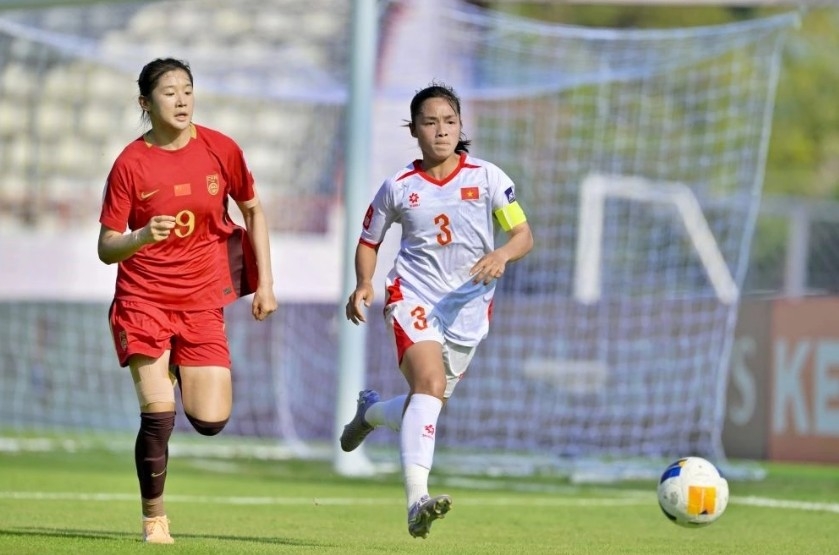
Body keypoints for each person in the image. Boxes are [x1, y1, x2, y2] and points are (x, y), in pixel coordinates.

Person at [341, 82, 533, 539]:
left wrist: (502, 255)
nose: (441, 130)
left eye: (449, 121)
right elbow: (369, 242)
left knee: (424, 405)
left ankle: (370, 414)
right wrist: (365, 283)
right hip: (413, 296)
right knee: (427, 383)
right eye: (430, 122)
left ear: (461, 126)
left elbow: (523, 234)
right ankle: (416, 503)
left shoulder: (488, 178)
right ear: (415, 130)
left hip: (469, 309)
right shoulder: (398, 187)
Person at [97, 57, 277, 544]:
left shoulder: (222, 149)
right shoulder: (130, 164)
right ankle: (154, 519)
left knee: (212, 421)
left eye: (188, 90)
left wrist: (266, 283)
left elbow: (254, 210)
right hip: (143, 299)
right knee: (159, 415)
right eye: (169, 92)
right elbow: (105, 246)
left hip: (201, 300)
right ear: (145, 103)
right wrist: (138, 236)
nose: (181, 100)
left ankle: (174, 365)